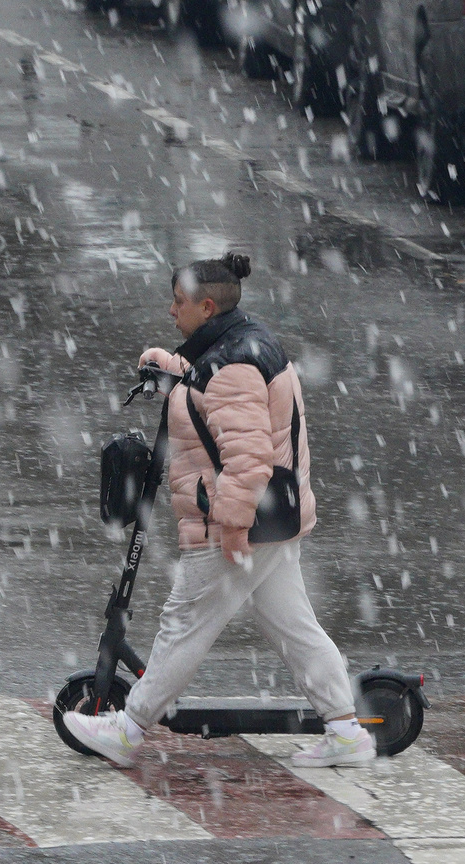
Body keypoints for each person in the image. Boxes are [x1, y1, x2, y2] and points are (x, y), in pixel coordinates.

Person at [63, 251, 375, 769]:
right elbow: (216, 395)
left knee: (185, 622)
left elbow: (247, 458)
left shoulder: (232, 364)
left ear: (207, 306)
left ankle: (128, 729)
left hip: (239, 523)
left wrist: (232, 528)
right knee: (294, 627)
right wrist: (173, 368)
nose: (171, 311)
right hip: (273, 518)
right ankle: (345, 732)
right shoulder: (240, 344)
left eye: (178, 302)